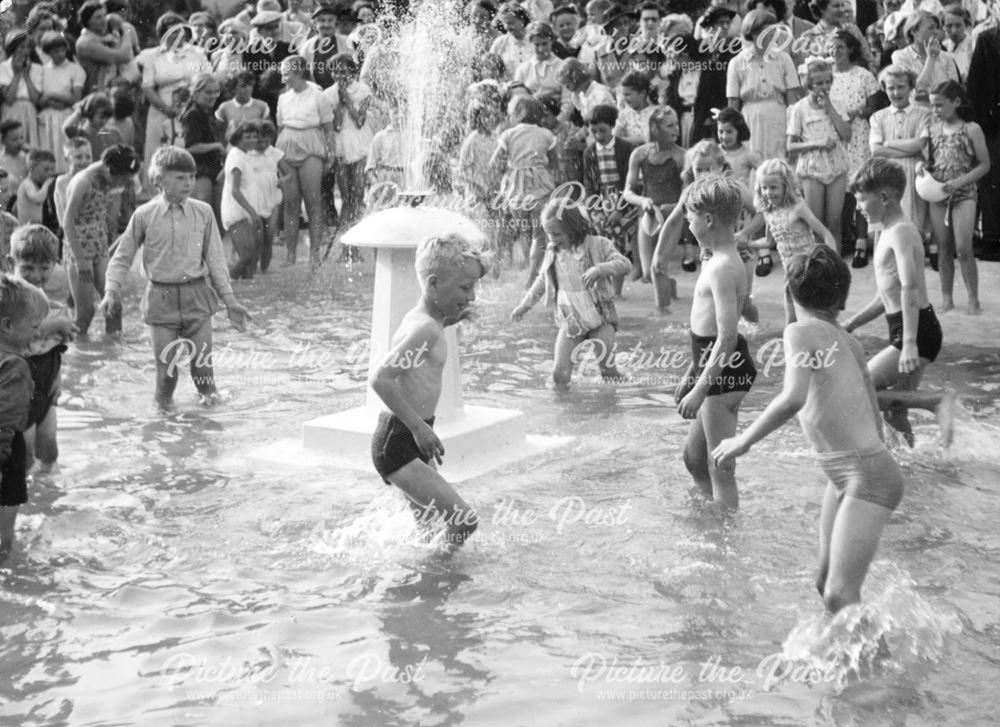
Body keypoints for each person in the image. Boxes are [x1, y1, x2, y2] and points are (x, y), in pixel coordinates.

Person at [712, 245, 903, 614]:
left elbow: (793, 398)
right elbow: (872, 408)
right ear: (843, 297)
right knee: (825, 583)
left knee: (838, 594)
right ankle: (846, 660)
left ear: (790, 292)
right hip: (858, 471)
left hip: (864, 474)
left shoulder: (800, 333)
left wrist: (743, 440)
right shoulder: (846, 339)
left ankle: (879, 670)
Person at [99, 146, 251, 411]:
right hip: (160, 298)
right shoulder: (144, 215)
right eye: (181, 177)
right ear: (159, 179)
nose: (189, 183)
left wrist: (230, 300)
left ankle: (207, 426)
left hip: (196, 296)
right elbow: (122, 257)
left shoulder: (203, 212)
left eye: (192, 177)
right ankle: (164, 426)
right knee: (167, 372)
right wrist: (112, 290)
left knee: (203, 370)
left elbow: (215, 260)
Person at [368, 233, 487, 548]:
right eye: (465, 288)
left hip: (408, 438)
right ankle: (438, 573)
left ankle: (420, 577)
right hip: (399, 442)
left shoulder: (428, 323)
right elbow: (381, 379)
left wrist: (452, 320)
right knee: (464, 521)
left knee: (428, 529)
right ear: (434, 283)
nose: (472, 296)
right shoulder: (425, 329)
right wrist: (419, 428)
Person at [842, 158, 951, 446]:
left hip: (915, 330)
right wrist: (851, 323)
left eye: (862, 200)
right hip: (910, 327)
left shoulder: (901, 231)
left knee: (858, 386)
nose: (859, 207)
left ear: (885, 197)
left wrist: (910, 343)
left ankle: (934, 402)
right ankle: (909, 461)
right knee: (894, 409)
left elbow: (910, 287)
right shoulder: (886, 231)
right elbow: (885, 295)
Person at [674, 175, 757, 513]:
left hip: (724, 375)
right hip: (713, 367)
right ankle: (710, 510)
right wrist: (692, 374)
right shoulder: (716, 258)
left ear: (707, 220)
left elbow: (726, 337)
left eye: (690, 216)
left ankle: (726, 542)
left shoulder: (723, 267)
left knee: (719, 465)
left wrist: (699, 389)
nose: (687, 223)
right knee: (694, 459)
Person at [512, 198, 631, 387]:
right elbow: (542, 281)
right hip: (571, 321)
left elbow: (625, 264)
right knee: (559, 374)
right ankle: (564, 412)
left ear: (574, 227)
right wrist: (524, 305)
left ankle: (622, 398)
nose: (552, 239)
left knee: (608, 372)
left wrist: (601, 269)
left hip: (600, 319)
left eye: (557, 234)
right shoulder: (553, 252)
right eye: (548, 233)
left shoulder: (598, 244)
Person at [7, 225, 74, 472]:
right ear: (10, 262)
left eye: (44, 268)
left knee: (49, 451)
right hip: (18, 390)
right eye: (27, 268)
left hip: (46, 386)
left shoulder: (50, 304)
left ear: (55, 265)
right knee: (22, 457)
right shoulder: (10, 301)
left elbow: (55, 348)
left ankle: (49, 499)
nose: (36, 275)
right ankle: (26, 504)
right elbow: (25, 335)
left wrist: (58, 378)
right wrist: (58, 323)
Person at [920, 80, 989, 314]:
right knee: (943, 247)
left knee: (963, 248)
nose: (935, 110)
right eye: (932, 105)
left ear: (956, 102)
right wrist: (922, 168)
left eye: (939, 105)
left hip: (964, 192)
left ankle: (973, 298)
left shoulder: (971, 129)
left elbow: (985, 165)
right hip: (939, 192)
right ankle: (947, 298)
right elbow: (930, 160)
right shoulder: (932, 128)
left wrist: (960, 181)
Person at [63, 144, 138, 337]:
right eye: (120, 179)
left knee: (114, 304)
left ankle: (113, 352)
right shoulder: (83, 182)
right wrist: (80, 260)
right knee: (85, 314)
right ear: (108, 169)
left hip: (100, 245)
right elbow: (67, 221)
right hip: (78, 248)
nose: (120, 184)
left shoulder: (111, 176)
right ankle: (78, 356)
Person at [0, 273, 48, 560]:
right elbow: (5, 419)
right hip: (6, 454)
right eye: (33, 326)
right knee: (4, 537)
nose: (38, 333)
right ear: (7, 325)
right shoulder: (16, 366)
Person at [491, 95, 559, 287]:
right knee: (540, 234)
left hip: (516, 186)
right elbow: (554, 163)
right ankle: (533, 278)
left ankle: (529, 270)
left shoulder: (508, 135)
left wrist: (511, 168)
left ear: (515, 115)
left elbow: (494, 163)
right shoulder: (546, 134)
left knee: (524, 232)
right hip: (541, 186)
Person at [786, 58, 851, 256]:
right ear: (809, 85)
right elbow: (791, 146)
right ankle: (818, 265)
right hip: (812, 167)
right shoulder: (799, 108)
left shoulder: (838, 104)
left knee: (834, 221)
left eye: (827, 82)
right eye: (818, 83)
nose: (824, 87)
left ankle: (835, 265)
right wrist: (817, 143)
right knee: (816, 222)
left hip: (835, 165)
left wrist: (830, 107)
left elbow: (846, 135)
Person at [275, 55, 335, 268]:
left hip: (311, 143)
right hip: (287, 143)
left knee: (313, 201)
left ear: (299, 72)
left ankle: (314, 255)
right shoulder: (283, 98)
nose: (283, 77)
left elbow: (328, 128)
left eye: (286, 73)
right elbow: (280, 127)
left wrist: (331, 154)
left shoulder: (318, 96)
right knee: (290, 202)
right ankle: (290, 255)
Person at [828, 28, 881, 266]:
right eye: (831, 47)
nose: (834, 51)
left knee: (859, 187)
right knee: (842, 190)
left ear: (850, 48)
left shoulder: (863, 75)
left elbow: (874, 107)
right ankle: (846, 237)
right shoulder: (827, 75)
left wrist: (856, 112)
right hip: (837, 138)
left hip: (859, 134)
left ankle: (861, 240)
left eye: (839, 46)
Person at [869, 65, 931, 258]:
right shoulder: (878, 117)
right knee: (888, 225)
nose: (896, 93)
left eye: (901, 87)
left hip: (912, 173)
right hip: (888, 176)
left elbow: (920, 144)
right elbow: (876, 150)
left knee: (913, 223)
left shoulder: (923, 114)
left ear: (910, 87)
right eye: (890, 88)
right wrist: (907, 146)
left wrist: (890, 143)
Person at [726, 9, 801, 161]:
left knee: (779, 160)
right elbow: (733, 103)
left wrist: (793, 132)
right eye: (769, 30)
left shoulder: (784, 59)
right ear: (754, 34)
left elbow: (792, 99)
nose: (775, 34)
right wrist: (736, 132)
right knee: (753, 160)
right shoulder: (737, 62)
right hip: (750, 119)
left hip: (778, 117)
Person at [583, 104, 637, 296]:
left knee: (618, 242)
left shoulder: (626, 148)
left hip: (624, 201)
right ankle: (601, 287)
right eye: (593, 130)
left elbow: (632, 183)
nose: (598, 135)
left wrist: (619, 210)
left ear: (613, 127)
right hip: (601, 202)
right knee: (599, 241)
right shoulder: (589, 152)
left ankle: (617, 291)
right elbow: (589, 185)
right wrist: (593, 208)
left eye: (602, 130)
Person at [752, 158, 836, 278]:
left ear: (786, 186)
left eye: (773, 187)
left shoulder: (798, 209)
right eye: (764, 188)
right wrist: (748, 244)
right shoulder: (769, 212)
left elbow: (825, 233)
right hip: (790, 271)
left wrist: (833, 262)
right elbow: (769, 242)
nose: (768, 192)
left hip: (809, 270)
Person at [37, 30, 86, 174]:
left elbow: (76, 99)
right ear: (48, 53)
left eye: (62, 50)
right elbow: (39, 98)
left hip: (66, 117)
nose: (59, 54)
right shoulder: (43, 70)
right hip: (47, 118)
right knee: (48, 157)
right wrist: (48, 102)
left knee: (65, 157)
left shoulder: (75, 70)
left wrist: (53, 95)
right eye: (55, 51)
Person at [221, 121, 264, 280]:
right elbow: (235, 190)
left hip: (243, 211)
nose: (252, 139)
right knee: (247, 255)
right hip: (237, 212)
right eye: (247, 136)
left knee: (250, 260)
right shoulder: (237, 157)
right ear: (238, 138)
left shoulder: (242, 154)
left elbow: (222, 177)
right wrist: (253, 212)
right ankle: (226, 283)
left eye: (254, 136)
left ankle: (247, 291)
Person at [180, 73, 225, 212]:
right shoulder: (193, 114)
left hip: (213, 167)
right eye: (208, 92)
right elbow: (191, 147)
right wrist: (217, 146)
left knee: (218, 213)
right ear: (196, 93)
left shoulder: (208, 112)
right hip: (199, 169)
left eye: (216, 92)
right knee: (203, 213)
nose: (213, 96)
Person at [0, 29, 43, 151]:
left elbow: (35, 99)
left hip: (29, 111)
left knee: (30, 149)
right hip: (11, 112)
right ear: (12, 49)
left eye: (27, 47)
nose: (25, 51)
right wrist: (17, 74)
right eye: (21, 47)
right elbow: (9, 99)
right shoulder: (3, 68)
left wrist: (27, 76)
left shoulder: (36, 68)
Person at [215, 70, 269, 138]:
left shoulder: (262, 106)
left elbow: (269, 132)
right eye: (243, 86)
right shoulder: (224, 107)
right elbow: (218, 133)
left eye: (250, 85)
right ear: (233, 88)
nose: (248, 89)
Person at [54, 138, 93, 233]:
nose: (84, 161)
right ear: (67, 160)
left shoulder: (93, 179)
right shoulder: (63, 181)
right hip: (72, 233)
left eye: (88, 157)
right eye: (78, 157)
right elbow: (69, 213)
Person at [16, 150, 57, 229]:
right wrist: (47, 184)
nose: (50, 173)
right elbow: (38, 199)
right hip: (27, 228)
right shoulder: (27, 183)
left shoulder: (37, 185)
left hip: (35, 226)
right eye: (46, 169)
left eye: (52, 169)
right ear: (31, 169)